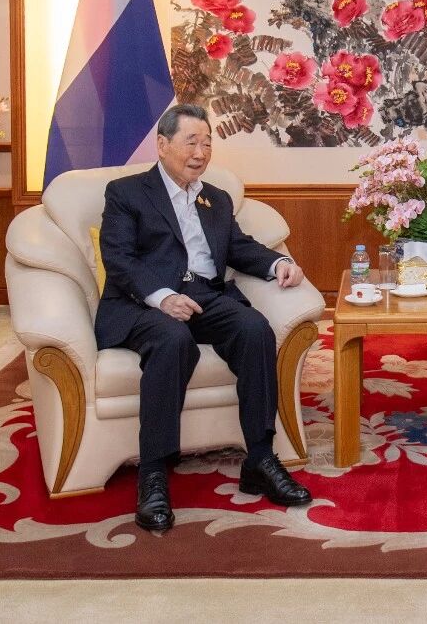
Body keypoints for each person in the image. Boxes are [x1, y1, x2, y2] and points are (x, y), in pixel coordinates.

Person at [95, 103, 312, 532]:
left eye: (208, 143)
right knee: (173, 340)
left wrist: (278, 264)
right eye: (191, 142)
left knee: (255, 329)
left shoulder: (216, 197)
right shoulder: (126, 193)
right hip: (145, 303)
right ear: (162, 145)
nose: (201, 152)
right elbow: (118, 258)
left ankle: (260, 458)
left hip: (205, 296)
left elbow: (237, 247)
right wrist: (162, 297)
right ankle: (153, 473)